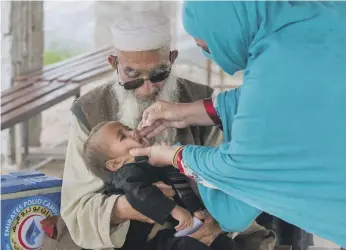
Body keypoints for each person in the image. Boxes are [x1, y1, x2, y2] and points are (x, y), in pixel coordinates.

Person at [130, 1, 346, 249]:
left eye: (207, 46)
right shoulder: (312, 19)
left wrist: (176, 155)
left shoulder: (275, 62)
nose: (208, 56)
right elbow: (272, 98)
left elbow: (240, 167)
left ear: (226, 28)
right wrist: (184, 113)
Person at [60, 10, 275, 250]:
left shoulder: (200, 98)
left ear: (172, 59)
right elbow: (76, 210)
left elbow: (230, 181)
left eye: (158, 73)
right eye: (132, 73)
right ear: (114, 64)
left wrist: (213, 223)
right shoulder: (88, 110)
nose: (147, 89)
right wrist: (126, 207)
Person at [84, 121, 193, 230]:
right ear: (115, 163)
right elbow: (141, 195)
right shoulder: (127, 174)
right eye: (123, 137)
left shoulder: (144, 163)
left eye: (128, 128)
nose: (133, 132)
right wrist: (174, 210)